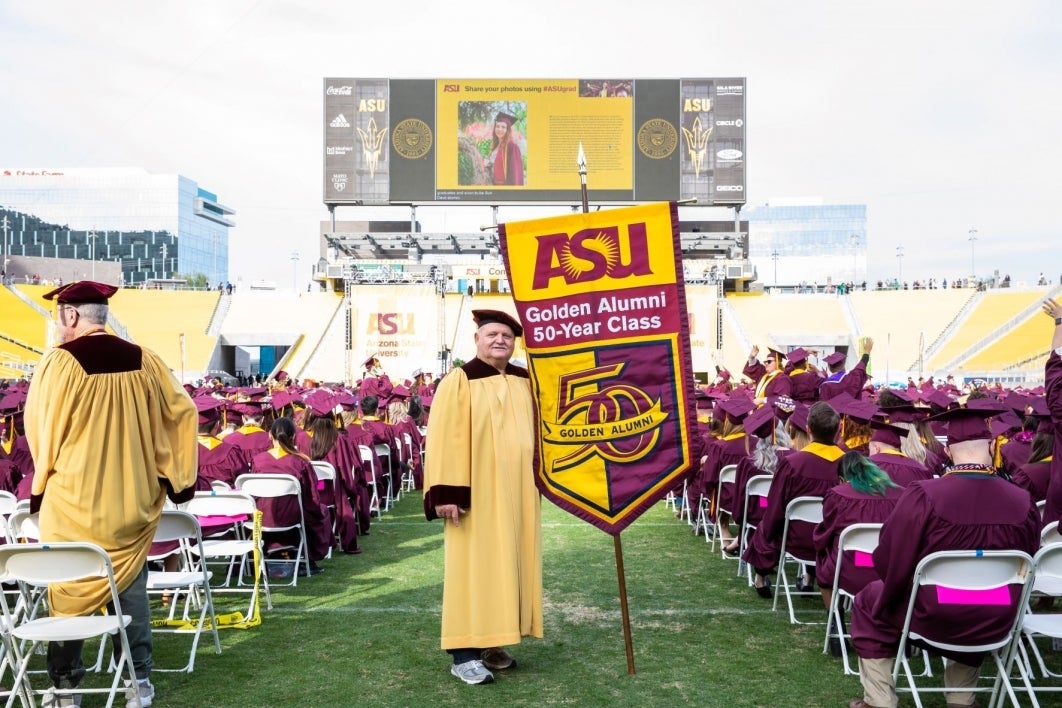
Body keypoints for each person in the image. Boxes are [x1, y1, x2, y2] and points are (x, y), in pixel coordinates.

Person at [24, 280, 198, 708]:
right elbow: (184, 413)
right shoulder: (146, 360)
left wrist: (40, 482)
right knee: (131, 590)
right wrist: (177, 478)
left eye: (58, 318)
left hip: (73, 501)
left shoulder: (59, 363)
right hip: (131, 500)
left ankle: (65, 687)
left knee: (67, 590)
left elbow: (41, 429)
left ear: (70, 316)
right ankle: (137, 682)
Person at [848, 403, 1040, 708]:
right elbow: (1029, 563)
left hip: (933, 612)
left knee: (871, 598)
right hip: (998, 614)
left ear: (948, 451)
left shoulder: (924, 495)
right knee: (983, 595)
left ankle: (879, 701)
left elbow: (889, 559)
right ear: (992, 446)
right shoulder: (1023, 501)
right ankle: (962, 699)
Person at [423, 309, 541, 685]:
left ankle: (492, 643)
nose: (500, 341)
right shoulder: (460, 380)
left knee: (509, 565)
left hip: (520, 492)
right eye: (492, 334)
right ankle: (463, 653)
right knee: (473, 569)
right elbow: (444, 438)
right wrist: (446, 492)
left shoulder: (525, 380)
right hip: (475, 494)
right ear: (476, 339)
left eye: (507, 335)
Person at [742, 401, 845, 598]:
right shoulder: (848, 462)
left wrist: (768, 529)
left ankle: (761, 578)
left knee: (769, 524)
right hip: (833, 541)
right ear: (838, 430)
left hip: (796, 538)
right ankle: (809, 579)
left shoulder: (793, 463)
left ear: (808, 429)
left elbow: (776, 508)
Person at [484, 112, 524, 186]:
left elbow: (515, 174)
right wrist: (488, 163)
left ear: (508, 130)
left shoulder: (512, 147)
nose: (499, 129)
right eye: (497, 126)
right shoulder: (495, 146)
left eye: (503, 127)